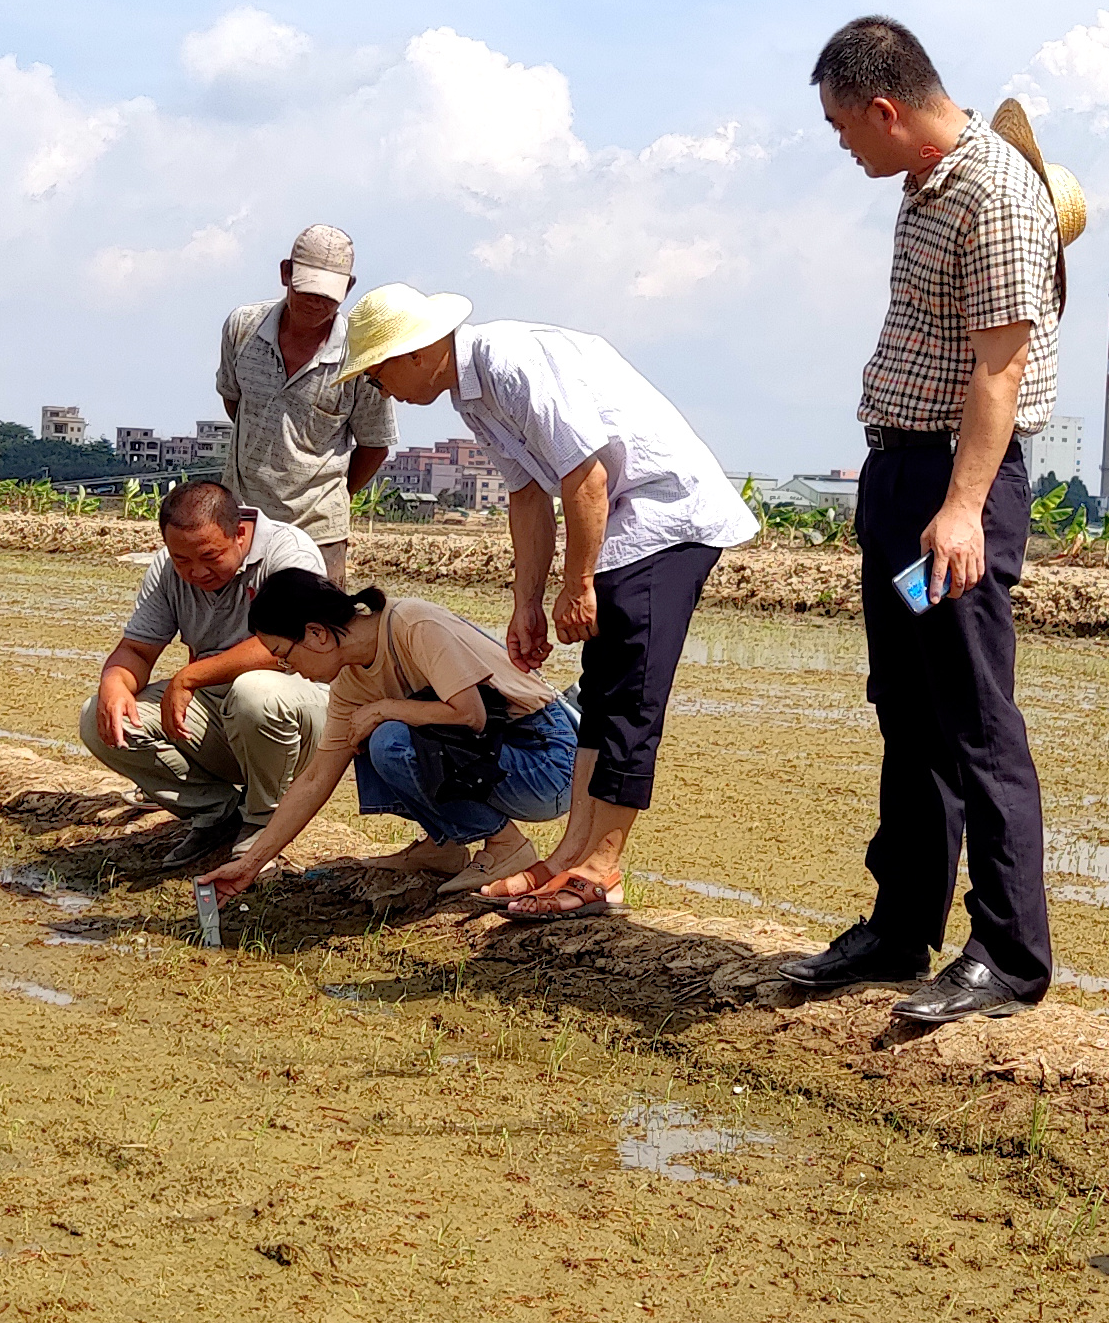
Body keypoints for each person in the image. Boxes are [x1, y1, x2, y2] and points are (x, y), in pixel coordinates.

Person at [775, 17, 1085, 1025]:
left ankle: (1009, 950)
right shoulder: (922, 187)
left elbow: (997, 372)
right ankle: (902, 921)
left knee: (974, 714)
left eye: (839, 129)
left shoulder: (994, 195)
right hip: (898, 473)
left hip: (957, 486)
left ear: (883, 109)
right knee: (905, 708)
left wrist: (959, 509)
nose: (841, 147)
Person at [327, 284, 759, 922]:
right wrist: (526, 602)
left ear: (416, 352)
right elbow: (529, 493)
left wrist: (578, 584)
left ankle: (602, 866)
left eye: (379, 372)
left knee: (631, 696)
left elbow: (587, 475)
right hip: (620, 524)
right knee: (604, 687)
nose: (381, 390)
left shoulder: (509, 362)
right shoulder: (473, 397)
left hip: (665, 515)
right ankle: (570, 855)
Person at [197, 570, 577, 903]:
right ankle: (442, 847)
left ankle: (507, 847)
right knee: (372, 731)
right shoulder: (350, 682)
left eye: (284, 655)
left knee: (388, 738)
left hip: (546, 761)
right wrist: (249, 865)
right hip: (499, 756)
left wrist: (385, 709)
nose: (290, 669)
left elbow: (470, 716)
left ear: (316, 634)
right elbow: (315, 778)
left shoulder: (411, 624)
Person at [80, 479, 333, 869]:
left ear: (240, 533)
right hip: (217, 707)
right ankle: (216, 812)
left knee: (256, 692)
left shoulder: (289, 553)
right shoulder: (167, 569)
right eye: (182, 560)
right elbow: (136, 650)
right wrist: (114, 682)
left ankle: (266, 820)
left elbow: (286, 643)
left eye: (209, 556)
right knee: (100, 717)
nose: (196, 571)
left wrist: (190, 676)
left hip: (294, 709)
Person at [216, 224, 398, 586]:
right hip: (242, 519)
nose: (317, 303)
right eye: (309, 290)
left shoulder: (361, 358)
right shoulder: (243, 328)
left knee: (314, 636)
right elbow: (235, 403)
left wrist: (330, 496)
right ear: (286, 273)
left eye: (329, 295)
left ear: (348, 288)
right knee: (229, 633)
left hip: (319, 531)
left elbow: (375, 445)